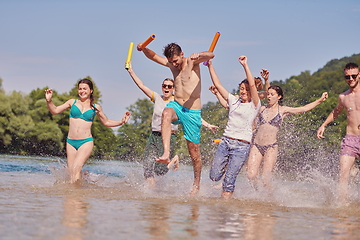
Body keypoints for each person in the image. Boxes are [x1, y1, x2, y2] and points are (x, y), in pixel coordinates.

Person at [137, 42, 214, 195]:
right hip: (177, 107)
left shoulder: (192, 61)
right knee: (166, 112)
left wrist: (199, 54)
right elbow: (153, 57)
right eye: (171, 62)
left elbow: (211, 55)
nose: (174, 64)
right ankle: (166, 153)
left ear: (182, 55)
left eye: (176, 61)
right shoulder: (172, 65)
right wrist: (143, 49)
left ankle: (196, 183)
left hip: (192, 112)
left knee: (194, 153)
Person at [45, 78, 131, 184]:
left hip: (85, 142)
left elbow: (106, 122)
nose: (82, 91)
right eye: (80, 89)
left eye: (85, 89)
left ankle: (75, 196)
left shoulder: (95, 107)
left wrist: (121, 121)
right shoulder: (72, 102)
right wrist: (49, 100)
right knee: (70, 173)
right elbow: (54, 111)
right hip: (70, 142)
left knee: (75, 169)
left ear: (91, 90)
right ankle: (77, 193)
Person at [247, 85, 328, 190]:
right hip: (256, 145)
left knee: (265, 179)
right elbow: (252, 121)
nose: (269, 97)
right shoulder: (262, 109)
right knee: (251, 175)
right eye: (268, 94)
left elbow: (303, 109)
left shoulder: (283, 110)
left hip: (271, 147)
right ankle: (257, 192)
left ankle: (269, 200)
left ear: (279, 97)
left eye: (272, 94)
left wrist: (320, 100)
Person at [206, 56, 261, 200]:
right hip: (225, 142)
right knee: (214, 176)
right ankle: (226, 168)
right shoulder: (233, 100)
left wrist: (245, 65)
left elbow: (253, 85)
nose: (243, 91)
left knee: (229, 181)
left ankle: (224, 208)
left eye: (246, 89)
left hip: (242, 146)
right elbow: (217, 84)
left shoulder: (254, 104)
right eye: (241, 89)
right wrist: (210, 66)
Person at [317, 62, 360, 202]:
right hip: (351, 139)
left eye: (354, 76)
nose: (351, 79)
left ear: (359, 75)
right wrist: (323, 125)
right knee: (343, 174)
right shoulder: (343, 97)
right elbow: (336, 112)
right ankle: (342, 209)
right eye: (348, 77)